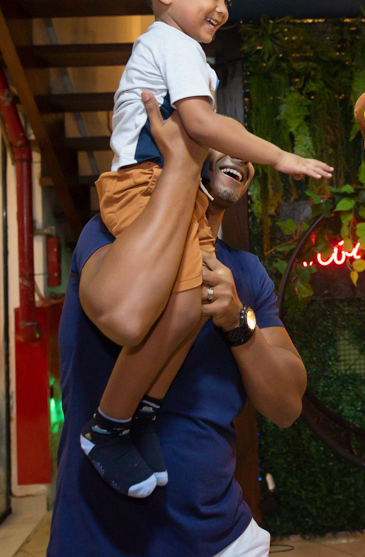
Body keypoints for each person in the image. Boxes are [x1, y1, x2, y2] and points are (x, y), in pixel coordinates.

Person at [86, 0, 329, 497]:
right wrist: (280, 156)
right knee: (174, 306)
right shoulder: (176, 46)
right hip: (144, 188)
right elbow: (199, 124)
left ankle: (141, 415)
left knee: (191, 307)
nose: (222, 8)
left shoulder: (176, 50)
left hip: (170, 190)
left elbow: (200, 132)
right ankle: (108, 427)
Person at [50, 93, 307, 557]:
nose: (240, 155)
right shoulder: (110, 235)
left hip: (223, 540)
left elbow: (287, 405)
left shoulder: (246, 273)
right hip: (100, 541)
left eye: (245, 149)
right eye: (221, 137)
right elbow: (123, 315)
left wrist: (237, 321)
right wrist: (179, 172)